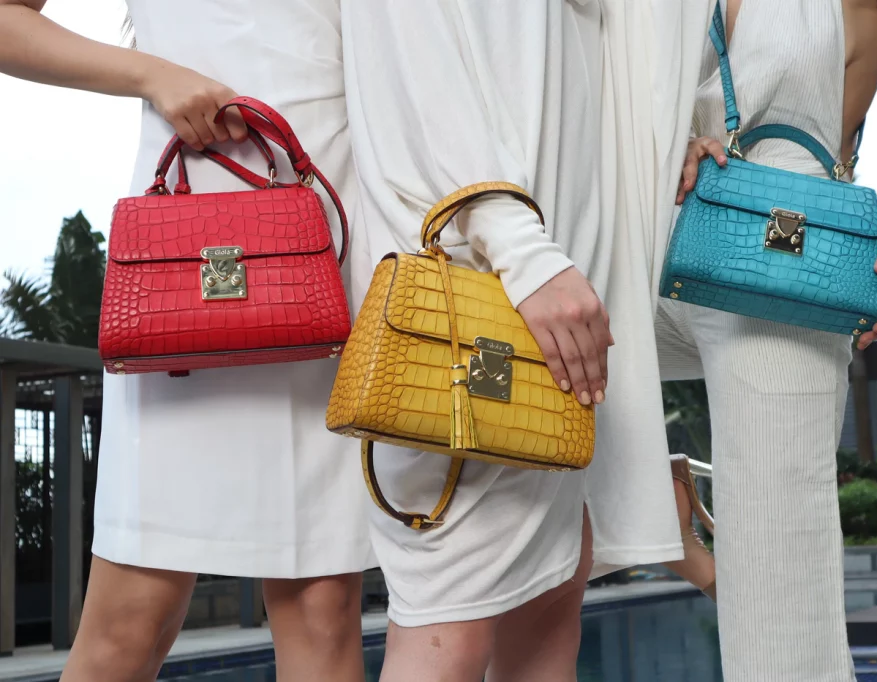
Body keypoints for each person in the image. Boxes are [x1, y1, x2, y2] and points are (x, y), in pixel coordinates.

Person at [0, 2, 374, 680]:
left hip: (326, 240)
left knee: (323, 608)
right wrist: (154, 75)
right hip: (183, 246)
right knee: (131, 618)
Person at [337, 1, 705, 680]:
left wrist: (681, 128)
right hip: (489, 275)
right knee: (450, 623)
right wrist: (521, 249)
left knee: (550, 601)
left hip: (557, 278)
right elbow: (412, 60)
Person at [655, 0, 877, 679]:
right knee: (526, 400)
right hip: (663, 226)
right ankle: (660, 505)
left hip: (789, 252)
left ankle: (692, 545)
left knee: (780, 592)